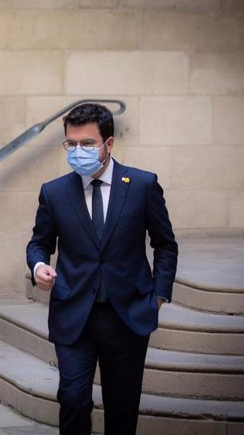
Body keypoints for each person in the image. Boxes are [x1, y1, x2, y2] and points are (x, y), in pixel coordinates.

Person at [26, 103, 177, 435]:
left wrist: (159, 296)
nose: (78, 151)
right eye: (71, 144)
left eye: (87, 144)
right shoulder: (54, 192)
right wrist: (38, 266)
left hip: (127, 314)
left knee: (122, 408)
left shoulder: (141, 185)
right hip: (74, 313)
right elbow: (39, 242)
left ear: (108, 144)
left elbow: (165, 244)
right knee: (73, 398)